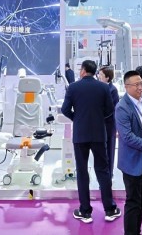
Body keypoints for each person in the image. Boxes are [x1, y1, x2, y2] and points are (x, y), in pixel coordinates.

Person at [60, 60, 120, 224]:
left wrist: (77, 118)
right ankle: (110, 209)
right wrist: (98, 118)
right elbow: (110, 110)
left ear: (83, 70)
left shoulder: (73, 87)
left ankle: (85, 211)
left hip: (80, 134)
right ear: (94, 72)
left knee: (82, 171)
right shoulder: (104, 87)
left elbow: (65, 109)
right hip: (99, 134)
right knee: (103, 170)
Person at [116, 70, 142, 235]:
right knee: (133, 201)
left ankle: (137, 231)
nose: (140, 87)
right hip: (132, 161)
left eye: (141, 83)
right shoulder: (122, 107)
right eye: (136, 85)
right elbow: (127, 137)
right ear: (126, 87)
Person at [98, 66, 119, 179]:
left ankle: (109, 175)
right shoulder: (99, 88)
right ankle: (102, 175)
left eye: (101, 75)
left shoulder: (113, 90)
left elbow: (113, 109)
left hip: (109, 125)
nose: (99, 77)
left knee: (109, 150)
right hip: (99, 125)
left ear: (107, 77)